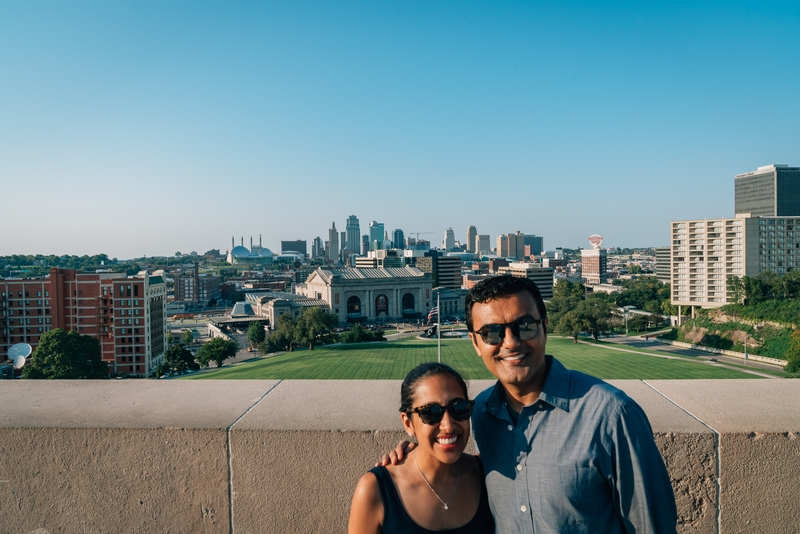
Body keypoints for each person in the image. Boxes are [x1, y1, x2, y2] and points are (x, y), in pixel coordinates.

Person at [383, 276, 677, 534]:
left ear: (545, 328)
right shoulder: (482, 413)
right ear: (475, 343)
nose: (510, 343)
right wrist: (412, 453)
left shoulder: (612, 415)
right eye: (492, 333)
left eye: (524, 326)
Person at [349, 362, 494, 533]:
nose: (448, 425)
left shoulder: (488, 475)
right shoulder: (376, 490)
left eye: (459, 408)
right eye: (431, 413)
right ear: (408, 423)